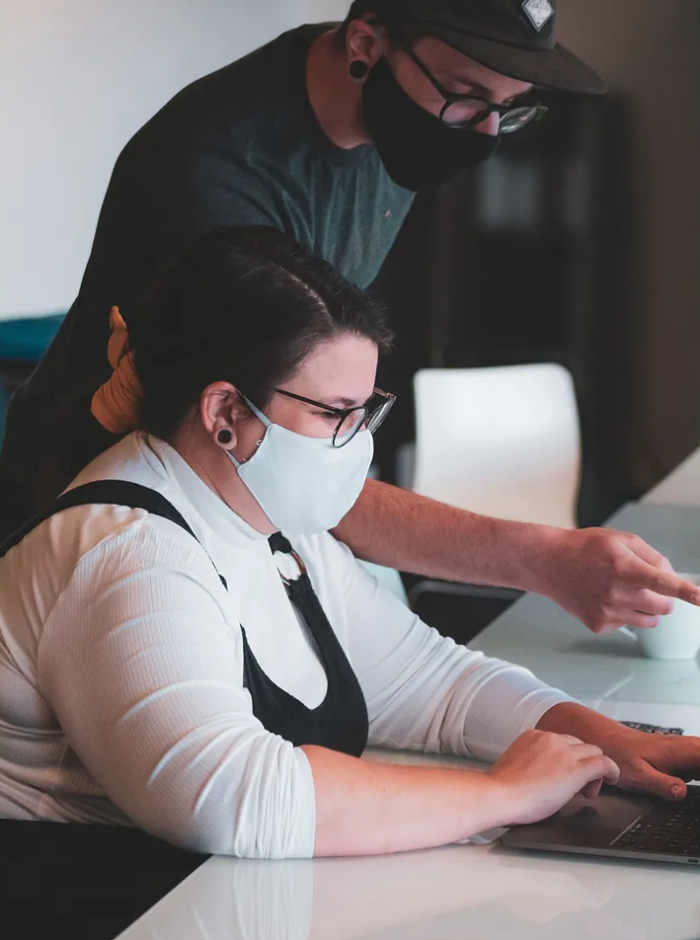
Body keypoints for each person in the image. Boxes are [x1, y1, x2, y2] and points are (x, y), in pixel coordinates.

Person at [1, 0, 697, 634]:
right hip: (92, 507)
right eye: (466, 97)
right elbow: (282, 468)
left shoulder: (386, 128)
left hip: (225, 500)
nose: (484, 132)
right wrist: (545, 559)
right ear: (366, 42)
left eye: (509, 109)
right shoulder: (217, 176)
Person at [0, 227, 698, 859]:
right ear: (225, 413)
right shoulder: (129, 556)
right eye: (336, 413)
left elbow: (432, 684)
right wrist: (508, 794)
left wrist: (602, 737)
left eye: (365, 410)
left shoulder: (272, 523)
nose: (358, 440)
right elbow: (233, 799)